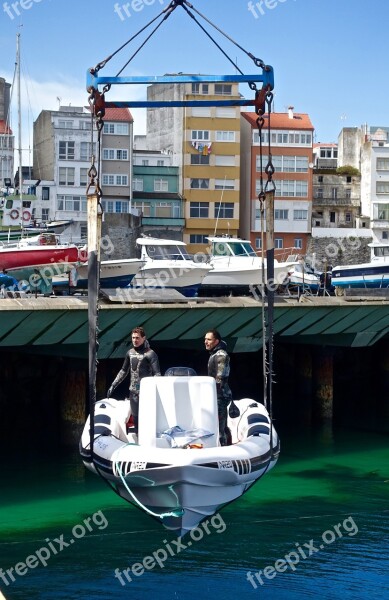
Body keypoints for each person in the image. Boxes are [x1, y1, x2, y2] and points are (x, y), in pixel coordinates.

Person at [107, 326, 161, 433]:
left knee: (146, 418)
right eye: (133, 338)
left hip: (146, 393)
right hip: (133, 393)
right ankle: (137, 437)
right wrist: (113, 385)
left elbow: (157, 375)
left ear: (143, 338)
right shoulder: (130, 353)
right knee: (136, 419)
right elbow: (123, 371)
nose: (135, 340)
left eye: (137, 338)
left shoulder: (150, 354)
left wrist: (151, 391)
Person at [204, 329, 232, 446]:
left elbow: (220, 377)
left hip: (220, 396)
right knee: (216, 425)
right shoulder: (214, 354)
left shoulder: (221, 355)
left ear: (216, 341)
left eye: (209, 339)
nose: (206, 342)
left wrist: (211, 391)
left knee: (220, 428)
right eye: (205, 339)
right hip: (215, 395)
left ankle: (223, 448)